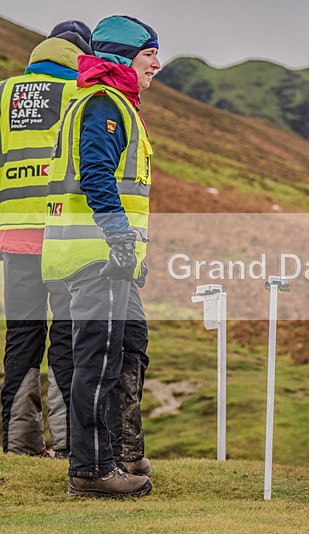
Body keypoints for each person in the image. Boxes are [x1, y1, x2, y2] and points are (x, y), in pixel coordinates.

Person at [41, 15, 160, 498]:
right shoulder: (104, 104)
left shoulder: (111, 103)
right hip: (98, 256)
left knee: (130, 345)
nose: (157, 63)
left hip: (105, 257)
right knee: (100, 360)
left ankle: (121, 453)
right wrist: (119, 239)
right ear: (124, 57)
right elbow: (95, 173)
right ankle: (91, 471)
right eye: (150, 53)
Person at [0, 20, 92, 458]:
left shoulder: (4, 93)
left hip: (14, 236)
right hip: (65, 236)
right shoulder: (82, 93)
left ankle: (18, 443)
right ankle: (69, 442)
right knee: (67, 337)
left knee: (22, 336)